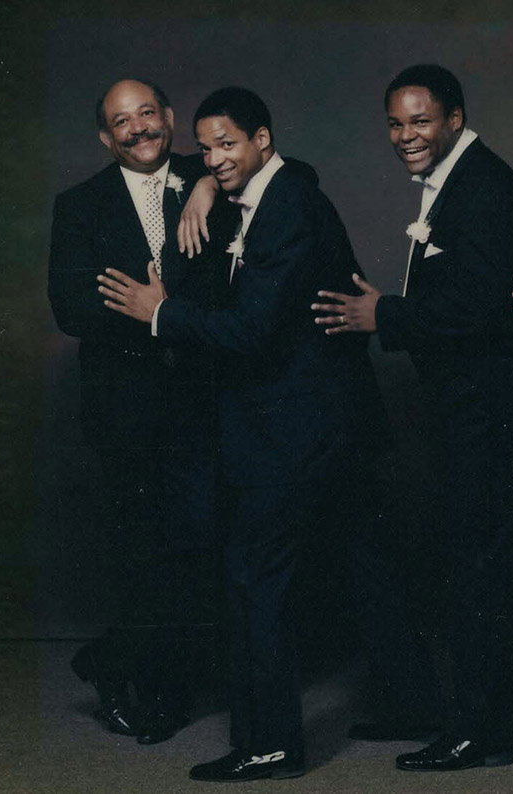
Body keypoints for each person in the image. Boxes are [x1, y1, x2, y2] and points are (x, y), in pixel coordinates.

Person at [314, 64, 513, 770]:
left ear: (453, 118)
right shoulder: (466, 178)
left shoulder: (480, 187)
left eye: (419, 121)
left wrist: (380, 313)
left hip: (503, 409)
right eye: (394, 123)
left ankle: (486, 731)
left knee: (482, 564)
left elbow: (481, 308)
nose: (405, 136)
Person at [97, 86, 388, 782]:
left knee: (258, 582)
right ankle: (374, 715)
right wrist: (204, 182)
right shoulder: (265, 189)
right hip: (284, 426)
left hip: (289, 430)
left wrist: (160, 313)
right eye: (207, 147)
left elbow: (255, 330)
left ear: (262, 139)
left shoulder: (286, 201)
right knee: (291, 577)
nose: (218, 158)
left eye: (229, 144)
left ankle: (272, 745)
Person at [48, 78, 223, 746]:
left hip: (206, 404)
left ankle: (116, 662)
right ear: (104, 137)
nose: (138, 128)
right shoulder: (79, 205)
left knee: (199, 544)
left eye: (147, 113)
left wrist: (206, 182)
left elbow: (297, 174)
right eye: (121, 121)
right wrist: (157, 322)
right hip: (126, 410)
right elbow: (71, 308)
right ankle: (157, 692)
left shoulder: (212, 169)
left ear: (171, 119)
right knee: (147, 551)